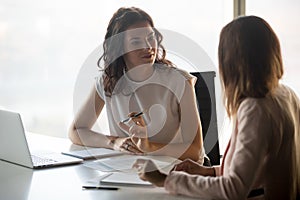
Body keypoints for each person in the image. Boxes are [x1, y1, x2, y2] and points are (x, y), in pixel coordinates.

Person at [133, 16, 300, 199]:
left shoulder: (255, 109)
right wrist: (209, 172)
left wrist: (165, 180)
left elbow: (232, 190)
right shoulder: (286, 95)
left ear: (230, 61)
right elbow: (257, 171)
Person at [69, 7, 205, 162]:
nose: (147, 46)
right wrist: (114, 142)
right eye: (136, 41)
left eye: (150, 37)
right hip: (128, 170)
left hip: (173, 172)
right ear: (120, 48)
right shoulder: (108, 80)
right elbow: (76, 131)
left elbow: (196, 151)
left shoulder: (179, 81)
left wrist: (149, 147)